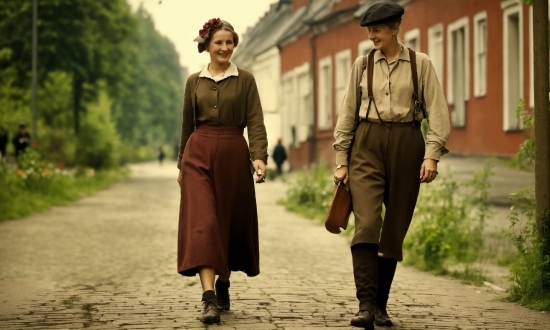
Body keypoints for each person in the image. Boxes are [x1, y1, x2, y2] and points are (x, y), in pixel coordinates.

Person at [333, 3, 450, 329]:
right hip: (366, 145)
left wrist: (431, 154)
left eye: (378, 29)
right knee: (367, 223)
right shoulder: (362, 64)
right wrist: (342, 160)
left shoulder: (420, 64)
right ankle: (365, 306)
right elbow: (347, 114)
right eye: (369, 30)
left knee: (394, 230)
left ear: (396, 27)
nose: (372, 35)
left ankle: (381, 306)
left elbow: (437, 113)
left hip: (407, 144)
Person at [176, 17, 268, 324]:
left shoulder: (246, 79)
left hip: (232, 155)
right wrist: (181, 164)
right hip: (197, 154)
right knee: (203, 223)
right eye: (219, 43)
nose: (225, 48)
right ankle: (209, 299)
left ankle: (224, 281)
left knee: (226, 223)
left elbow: (255, 120)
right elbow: (187, 126)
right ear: (207, 46)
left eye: (229, 42)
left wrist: (259, 156)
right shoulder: (193, 82)